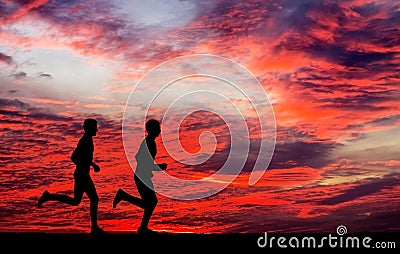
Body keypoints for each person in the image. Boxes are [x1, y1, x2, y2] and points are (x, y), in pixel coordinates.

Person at [38, 118, 106, 235]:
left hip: (82, 174)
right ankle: (94, 228)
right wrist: (83, 166)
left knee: (76, 201)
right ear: (89, 128)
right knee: (94, 199)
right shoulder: (85, 141)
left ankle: (48, 196)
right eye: (95, 127)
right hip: (82, 175)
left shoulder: (87, 140)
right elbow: (74, 157)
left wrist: (92, 164)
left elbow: (83, 158)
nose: (97, 129)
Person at [113, 119, 167, 235]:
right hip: (141, 176)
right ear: (151, 130)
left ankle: (142, 227)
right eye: (157, 129)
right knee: (151, 202)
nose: (159, 131)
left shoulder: (148, 142)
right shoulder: (149, 143)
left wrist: (153, 167)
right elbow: (143, 161)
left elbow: (138, 157)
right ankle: (142, 227)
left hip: (142, 176)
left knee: (150, 203)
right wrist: (159, 167)